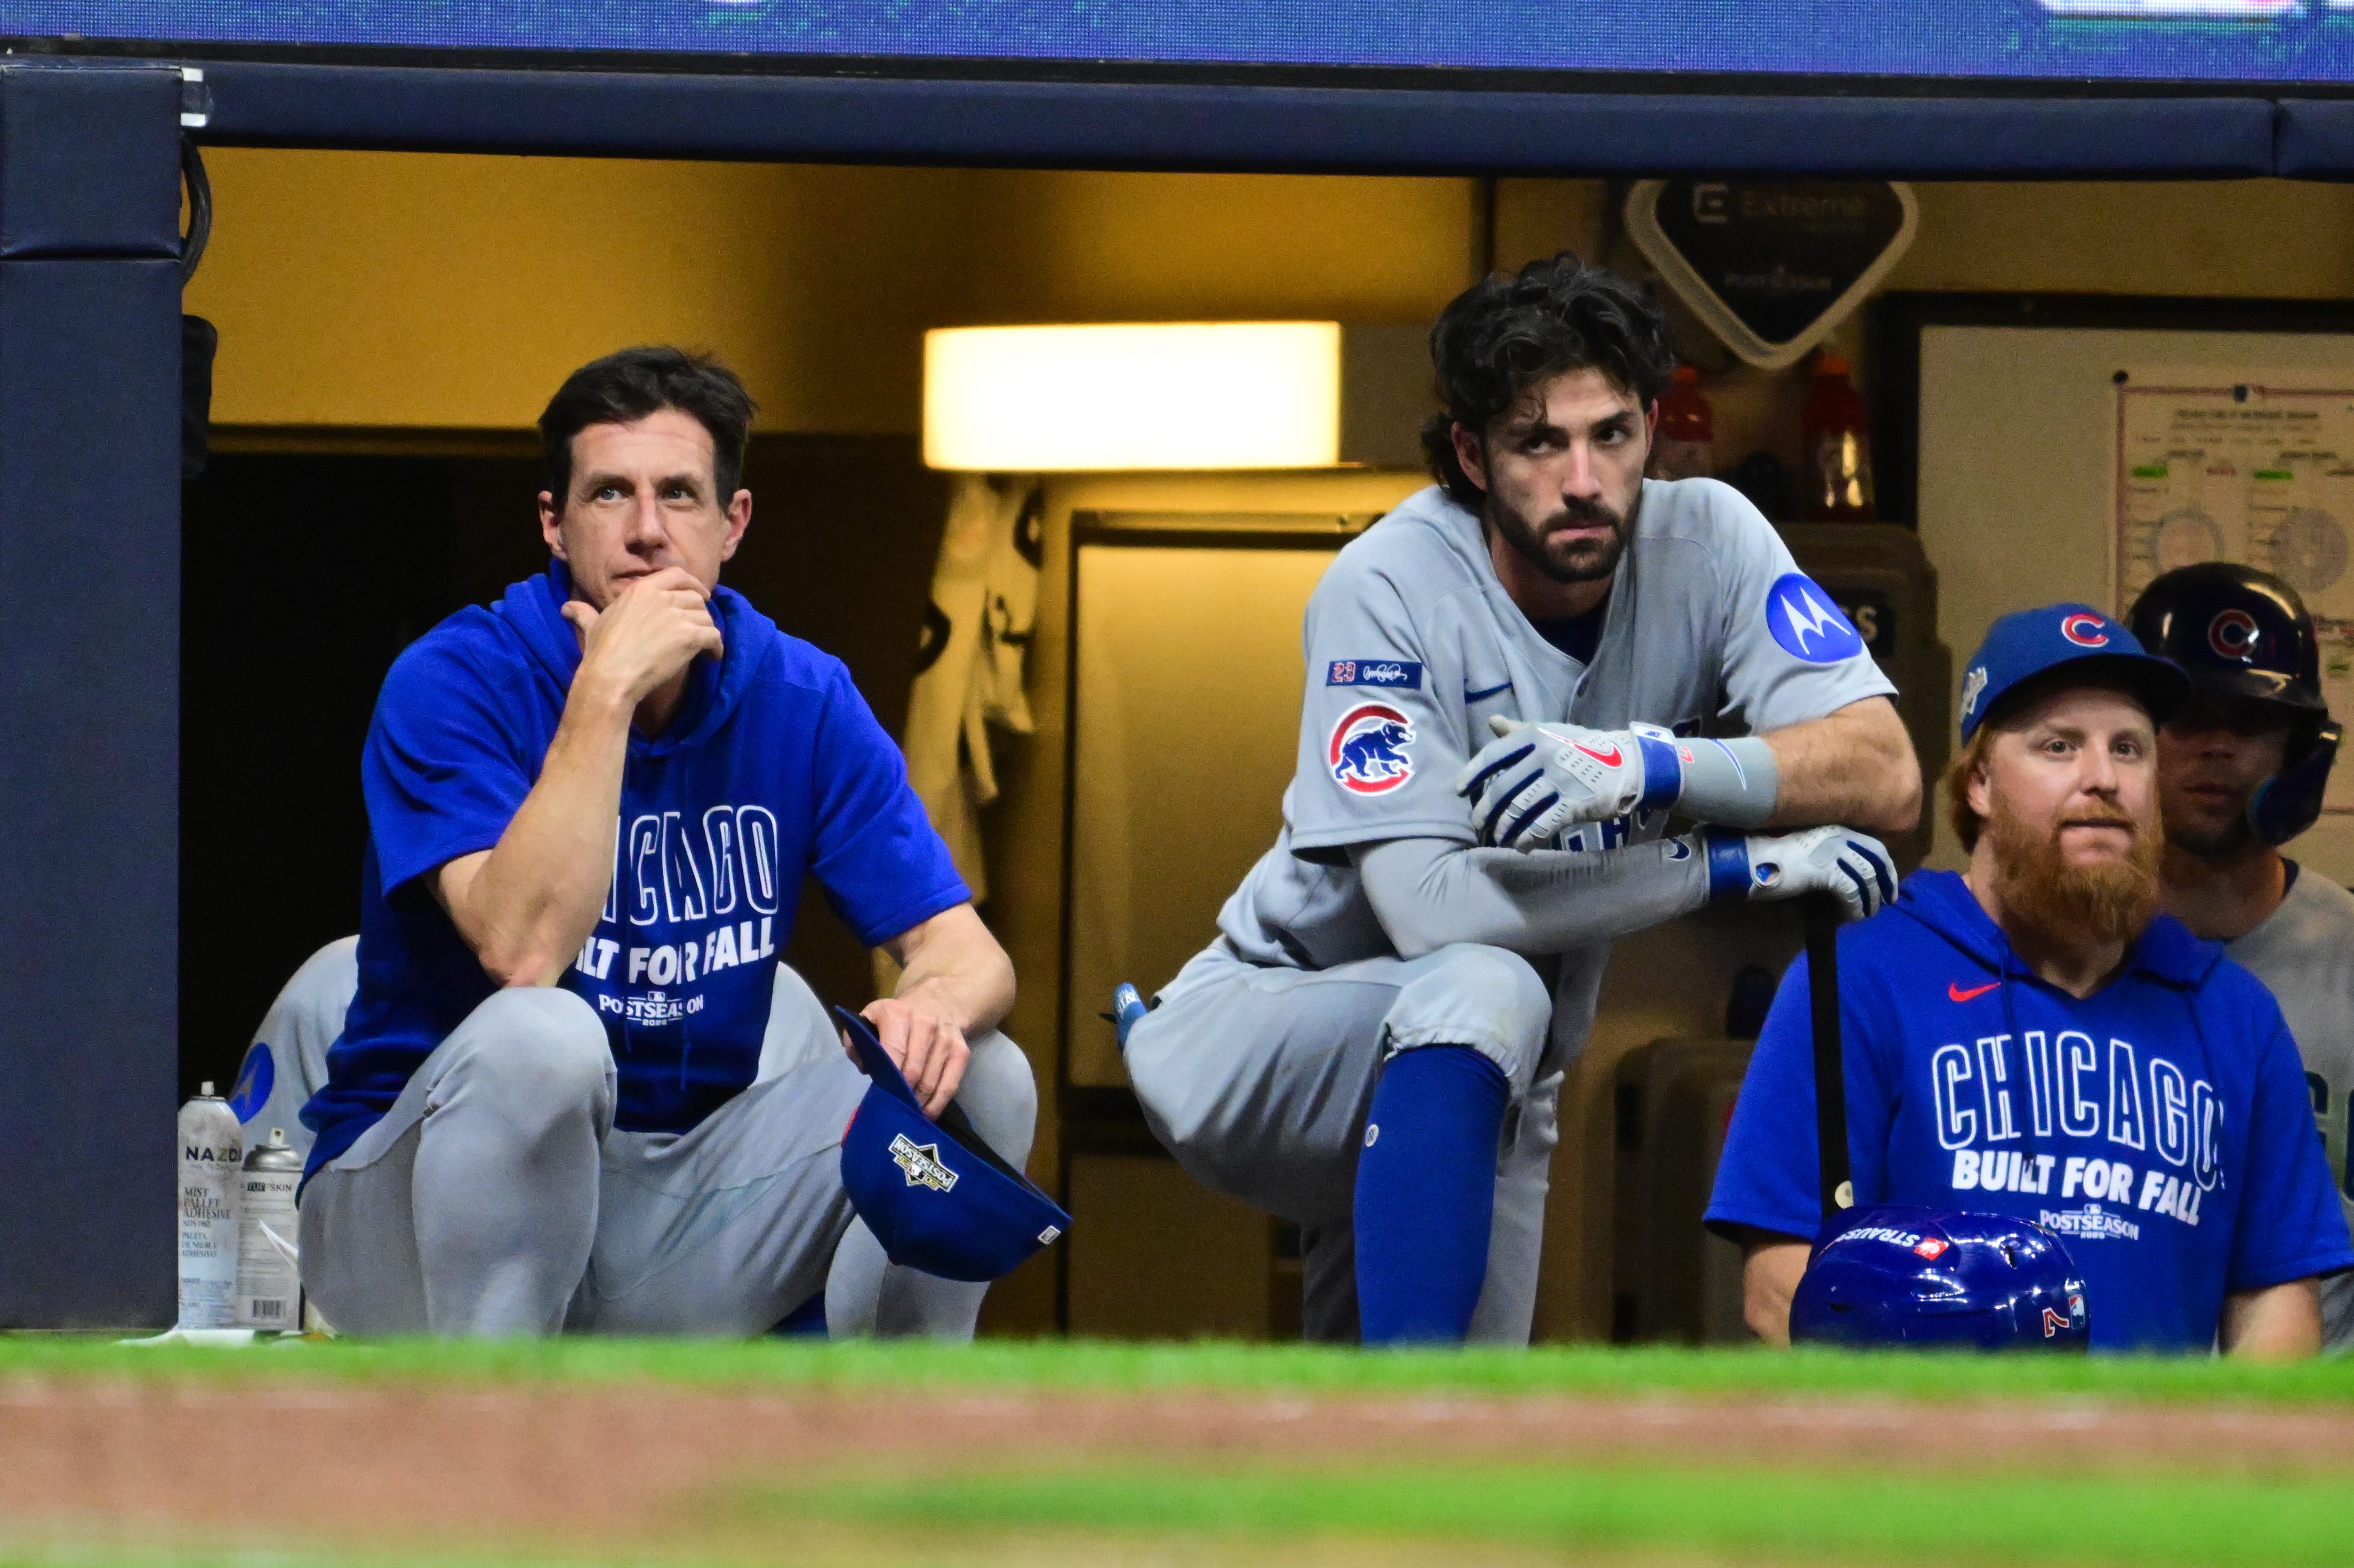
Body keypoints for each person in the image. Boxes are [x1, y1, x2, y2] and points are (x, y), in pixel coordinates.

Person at [1122, 253, 1920, 1346]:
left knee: (1431, 1459)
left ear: (1650, 428)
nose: (1582, 479)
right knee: (1487, 985)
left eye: (1610, 435)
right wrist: (1727, 861)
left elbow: (1883, 769)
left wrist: (1654, 767)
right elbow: (1431, 914)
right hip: (1269, 1022)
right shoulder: (1389, 580)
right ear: (1470, 454)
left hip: (1487, 1080)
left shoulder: (1710, 538)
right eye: (1537, 442)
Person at [229, 347, 1036, 1337]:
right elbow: (522, 952)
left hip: (672, 1208)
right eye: (610, 493)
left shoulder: (800, 696)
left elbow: (966, 952)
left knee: (980, 1072)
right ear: (553, 524)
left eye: (681, 496)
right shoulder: (453, 680)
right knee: (544, 1037)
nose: (648, 532)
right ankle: (496, 1446)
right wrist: (604, 691)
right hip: (412, 1205)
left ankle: (894, 1449)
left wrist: (930, 1010)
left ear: (732, 525)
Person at [1707, 603, 2354, 1355]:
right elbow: (1779, 1285)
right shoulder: (1862, 977)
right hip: (1926, 1463)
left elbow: (2276, 1301)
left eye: (2129, 748)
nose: (2102, 779)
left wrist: (2219, 1462)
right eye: (2058, 747)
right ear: (1978, 783)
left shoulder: (2233, 1013)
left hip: (2153, 1470)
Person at [2129, 561, 2354, 1350]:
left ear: (2299, 747)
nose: (2218, 746)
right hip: (2118, 1424)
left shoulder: (2349, 954)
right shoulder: (2066, 960)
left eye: (2250, 721)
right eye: (2188, 714)